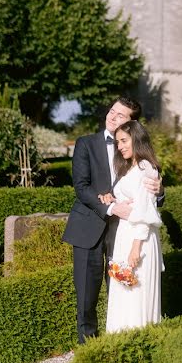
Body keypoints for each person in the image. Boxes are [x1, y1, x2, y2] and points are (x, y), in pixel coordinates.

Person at [62, 97, 162, 344]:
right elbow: (81, 187)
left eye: (120, 115)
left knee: (122, 292)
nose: (112, 116)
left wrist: (158, 190)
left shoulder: (132, 150)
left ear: (131, 123)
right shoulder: (85, 143)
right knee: (86, 296)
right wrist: (110, 207)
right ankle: (88, 349)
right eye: (112, 111)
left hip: (122, 233)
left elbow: (147, 187)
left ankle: (117, 343)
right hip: (89, 226)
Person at [104, 120, 164, 332]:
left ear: (136, 139)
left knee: (137, 295)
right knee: (123, 292)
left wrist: (136, 247)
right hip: (125, 234)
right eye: (118, 142)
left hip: (139, 238)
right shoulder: (131, 167)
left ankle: (138, 342)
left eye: (124, 141)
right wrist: (111, 200)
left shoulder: (146, 167)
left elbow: (145, 210)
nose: (119, 146)